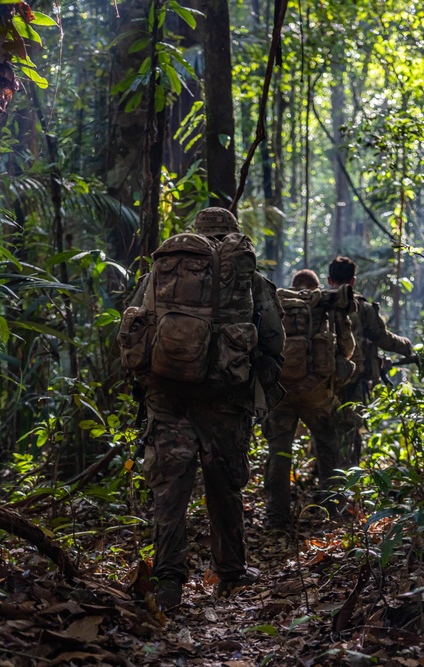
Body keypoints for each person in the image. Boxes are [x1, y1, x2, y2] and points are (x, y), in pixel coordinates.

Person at [118, 207, 285, 611]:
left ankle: (169, 581)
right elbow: (274, 339)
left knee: (170, 490)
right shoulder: (250, 281)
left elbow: (134, 325)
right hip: (224, 399)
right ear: (232, 238)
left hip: (166, 394)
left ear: (196, 235)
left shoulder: (160, 275)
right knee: (223, 484)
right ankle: (230, 573)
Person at [262, 268, 355, 532]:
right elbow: (347, 349)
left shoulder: (278, 306)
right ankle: (332, 514)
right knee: (327, 450)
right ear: (317, 288)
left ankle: (277, 519)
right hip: (317, 394)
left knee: (279, 455)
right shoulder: (324, 307)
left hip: (280, 394)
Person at [327, 256, 415, 468]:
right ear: (353, 281)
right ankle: (347, 479)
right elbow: (382, 338)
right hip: (351, 379)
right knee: (350, 428)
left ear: (330, 281)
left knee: (325, 428)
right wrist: (406, 345)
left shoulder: (318, 303)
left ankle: (325, 477)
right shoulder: (361, 307)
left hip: (321, 378)